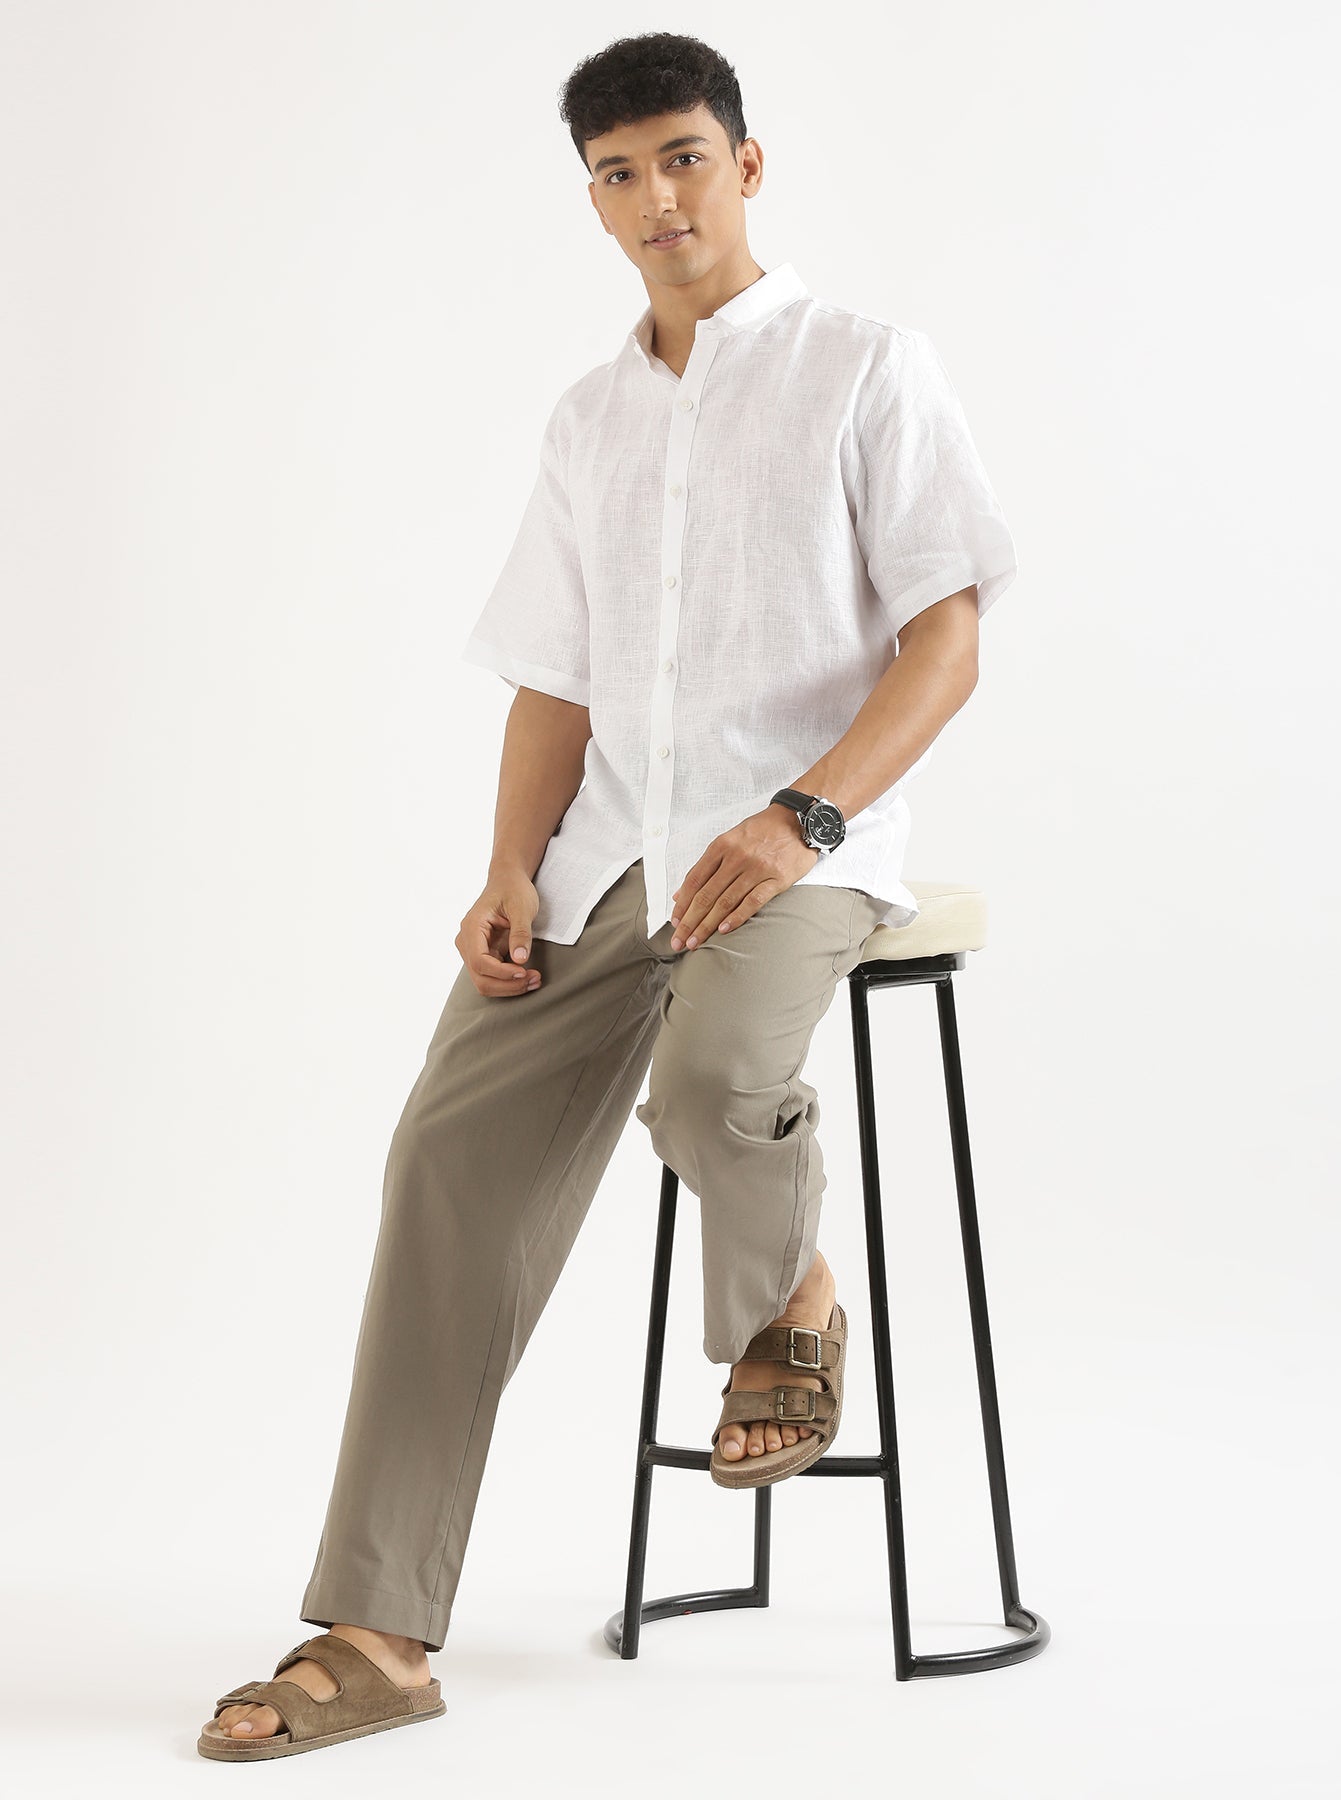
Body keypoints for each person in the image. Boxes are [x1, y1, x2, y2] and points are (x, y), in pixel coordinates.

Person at [198, 28, 1018, 1761]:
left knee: (710, 1087)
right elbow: (554, 686)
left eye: (683, 158)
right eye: (619, 174)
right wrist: (509, 866)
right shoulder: (588, 419)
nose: (658, 198)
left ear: (747, 164)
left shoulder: (866, 367)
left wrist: (798, 818)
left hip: (799, 844)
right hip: (607, 853)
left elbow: (945, 640)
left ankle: (789, 1307)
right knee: (444, 1157)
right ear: (591, 200)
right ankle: (378, 1632)